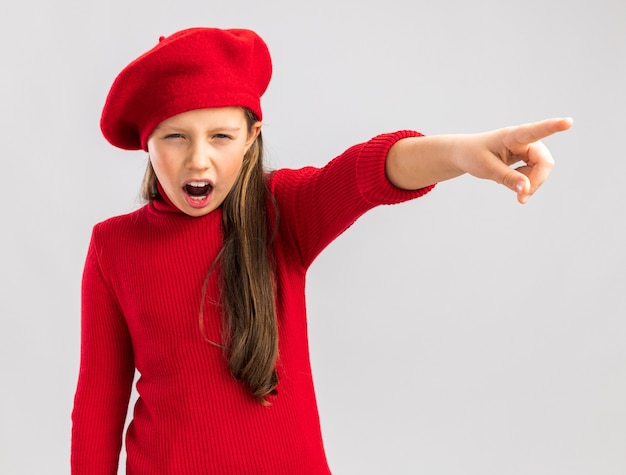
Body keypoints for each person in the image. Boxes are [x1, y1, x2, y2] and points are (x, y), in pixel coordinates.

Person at [71, 27, 572, 474]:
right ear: (147, 142)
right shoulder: (113, 245)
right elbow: (99, 402)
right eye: (175, 136)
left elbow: (364, 173)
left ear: (250, 138)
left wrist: (460, 152)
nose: (198, 159)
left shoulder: (281, 212)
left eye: (221, 136)